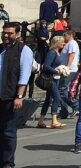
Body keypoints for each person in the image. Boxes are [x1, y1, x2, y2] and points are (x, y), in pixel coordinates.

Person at [0, 21, 34, 168]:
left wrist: (19, 97)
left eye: (10, 33)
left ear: (18, 34)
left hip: (11, 97)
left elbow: (24, 75)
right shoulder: (0, 48)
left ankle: (8, 162)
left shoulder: (24, 50)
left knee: (8, 132)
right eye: (4, 32)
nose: (6, 35)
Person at [37, 35, 67, 129]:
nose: (64, 43)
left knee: (48, 100)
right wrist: (56, 71)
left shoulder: (58, 53)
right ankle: (54, 120)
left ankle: (41, 121)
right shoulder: (52, 53)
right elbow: (46, 66)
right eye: (62, 42)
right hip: (50, 79)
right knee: (57, 98)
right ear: (57, 43)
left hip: (55, 79)